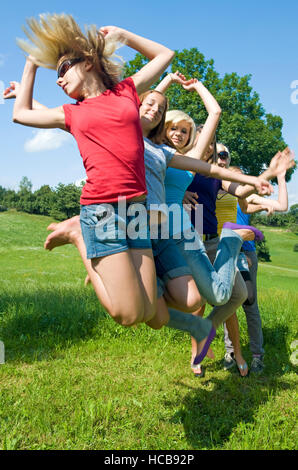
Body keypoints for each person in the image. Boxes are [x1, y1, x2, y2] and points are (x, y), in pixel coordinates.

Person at [5, 78, 274, 366]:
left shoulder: (164, 153)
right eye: (150, 107)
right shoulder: (123, 136)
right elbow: (73, 122)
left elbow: (204, 165)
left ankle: (177, 307)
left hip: (165, 231)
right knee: (150, 316)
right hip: (135, 226)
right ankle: (98, 254)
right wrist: (26, 95)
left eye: (181, 127)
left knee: (188, 303)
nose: (156, 113)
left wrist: (251, 179)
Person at [9, 13, 176, 330]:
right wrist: (31, 64)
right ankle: (76, 234)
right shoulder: (71, 113)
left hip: (137, 209)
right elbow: (21, 114)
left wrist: (124, 34)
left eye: (61, 70)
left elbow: (165, 55)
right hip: (102, 210)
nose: (58, 80)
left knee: (150, 315)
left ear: (87, 61)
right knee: (127, 316)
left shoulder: (126, 91)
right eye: (55, 76)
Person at [155, 72, 294, 376]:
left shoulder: (196, 165)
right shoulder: (157, 154)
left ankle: (228, 345)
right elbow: (146, 112)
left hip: (196, 237)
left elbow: (215, 117)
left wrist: (269, 175)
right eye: (173, 129)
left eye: (184, 130)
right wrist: (164, 85)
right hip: (166, 235)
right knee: (184, 302)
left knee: (234, 295)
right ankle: (202, 344)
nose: (178, 134)